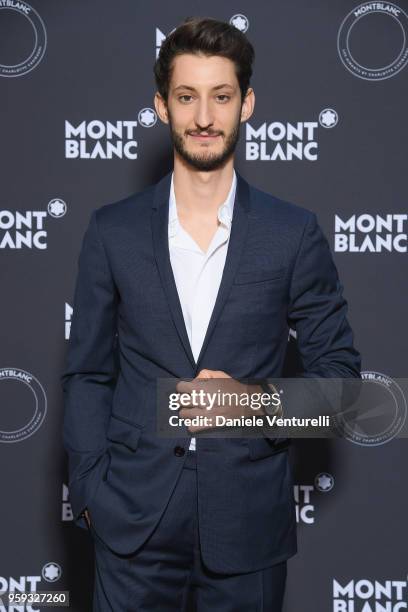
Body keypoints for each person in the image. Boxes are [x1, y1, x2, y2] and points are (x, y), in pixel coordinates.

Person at [61, 16, 361, 611]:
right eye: (187, 97)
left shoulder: (291, 233)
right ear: (161, 106)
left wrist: (246, 402)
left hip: (247, 525)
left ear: (246, 104)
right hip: (131, 523)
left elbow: (346, 389)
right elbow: (88, 374)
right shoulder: (112, 231)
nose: (204, 117)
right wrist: (91, 491)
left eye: (221, 97)